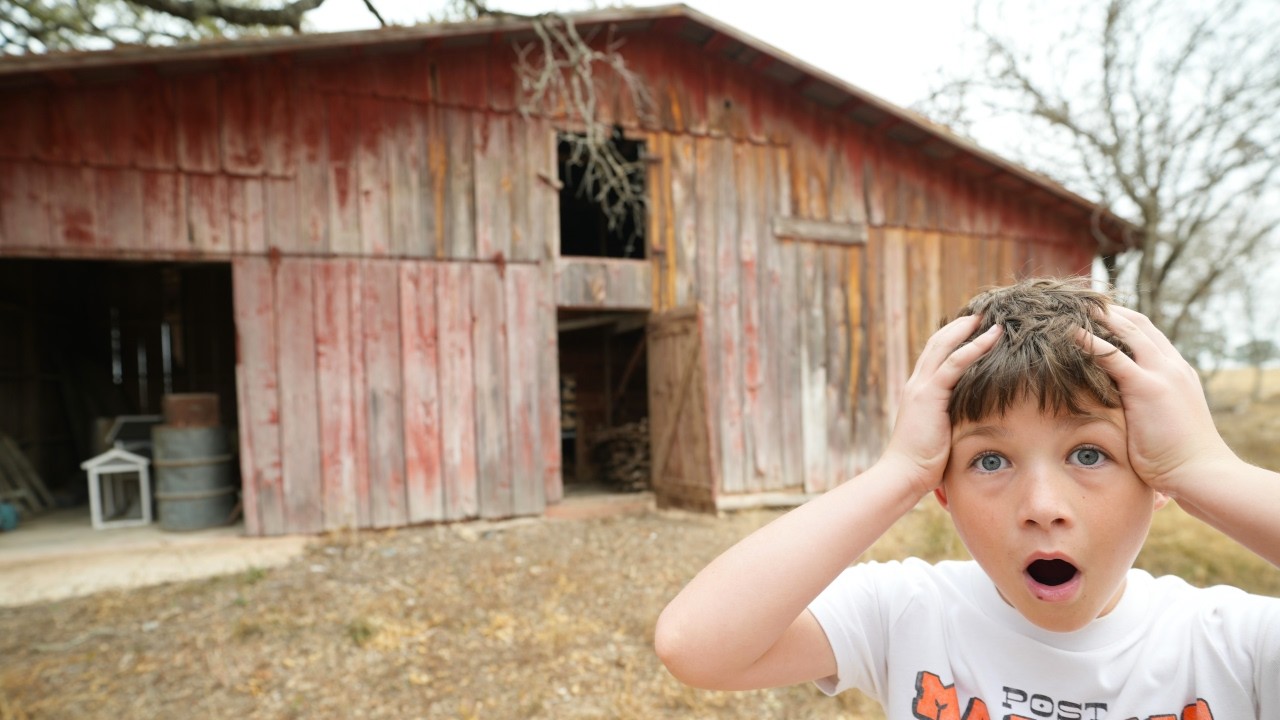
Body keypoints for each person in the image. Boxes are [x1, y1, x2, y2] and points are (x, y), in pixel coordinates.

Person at [654, 277, 1280, 719]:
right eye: (990, 460)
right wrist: (898, 472)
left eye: (1089, 454)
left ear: (1156, 477)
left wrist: (1203, 467)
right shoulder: (907, 614)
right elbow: (696, 646)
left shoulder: (1237, 647)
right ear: (944, 492)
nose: (1041, 504)